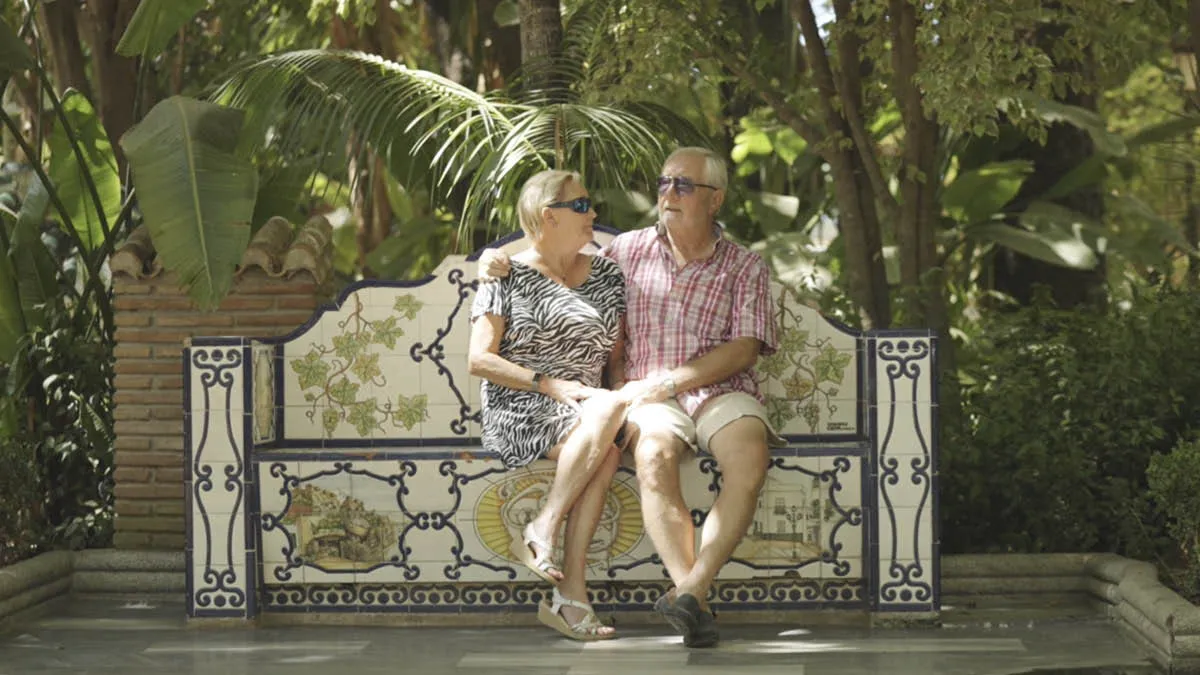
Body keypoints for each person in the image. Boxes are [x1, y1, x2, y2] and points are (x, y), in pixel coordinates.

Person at [480, 147, 782, 648]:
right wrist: (496, 260)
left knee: (750, 453)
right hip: (645, 398)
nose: (669, 194)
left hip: (719, 391)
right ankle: (694, 600)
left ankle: (691, 589)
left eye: (683, 186)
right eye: (664, 183)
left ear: (716, 200)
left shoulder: (744, 266)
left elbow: (744, 350)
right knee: (653, 455)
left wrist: (667, 382)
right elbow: (549, 249)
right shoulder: (626, 251)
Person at [468, 169, 628, 641]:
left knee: (610, 436)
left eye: (590, 203)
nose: (592, 213)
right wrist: (548, 383)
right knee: (606, 435)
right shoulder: (505, 272)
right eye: (580, 206)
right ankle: (564, 580)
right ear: (547, 216)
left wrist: (623, 407)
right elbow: (479, 359)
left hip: (587, 407)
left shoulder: (608, 274)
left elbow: (614, 362)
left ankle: (554, 560)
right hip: (521, 404)